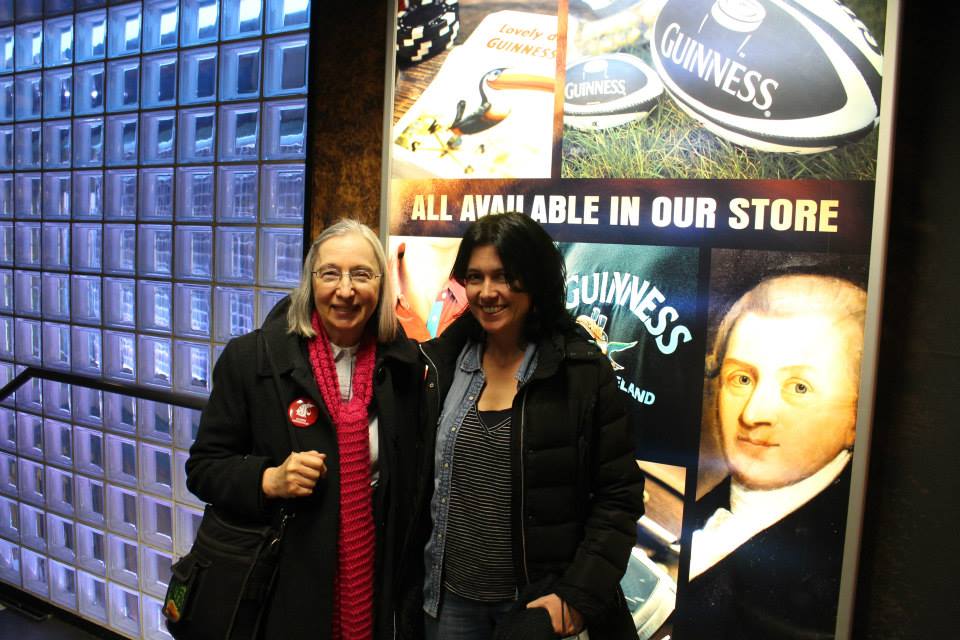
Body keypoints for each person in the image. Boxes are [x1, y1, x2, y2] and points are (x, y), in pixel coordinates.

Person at [409, 213, 645, 640]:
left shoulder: (581, 372)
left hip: (534, 610)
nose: (487, 292)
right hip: (448, 604)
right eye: (475, 277)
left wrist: (573, 598)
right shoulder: (441, 365)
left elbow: (619, 497)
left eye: (503, 276)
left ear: (534, 281)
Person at [186, 219, 422, 639]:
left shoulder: (403, 368)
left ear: (382, 285)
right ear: (309, 282)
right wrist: (268, 479)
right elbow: (203, 468)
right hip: (282, 592)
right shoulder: (253, 360)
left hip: (373, 587)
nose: (345, 290)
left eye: (362, 275)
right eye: (330, 273)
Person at [684, 273, 867, 639]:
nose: (753, 414)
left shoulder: (835, 571)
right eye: (742, 379)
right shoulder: (700, 509)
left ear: (856, 417)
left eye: (799, 387)